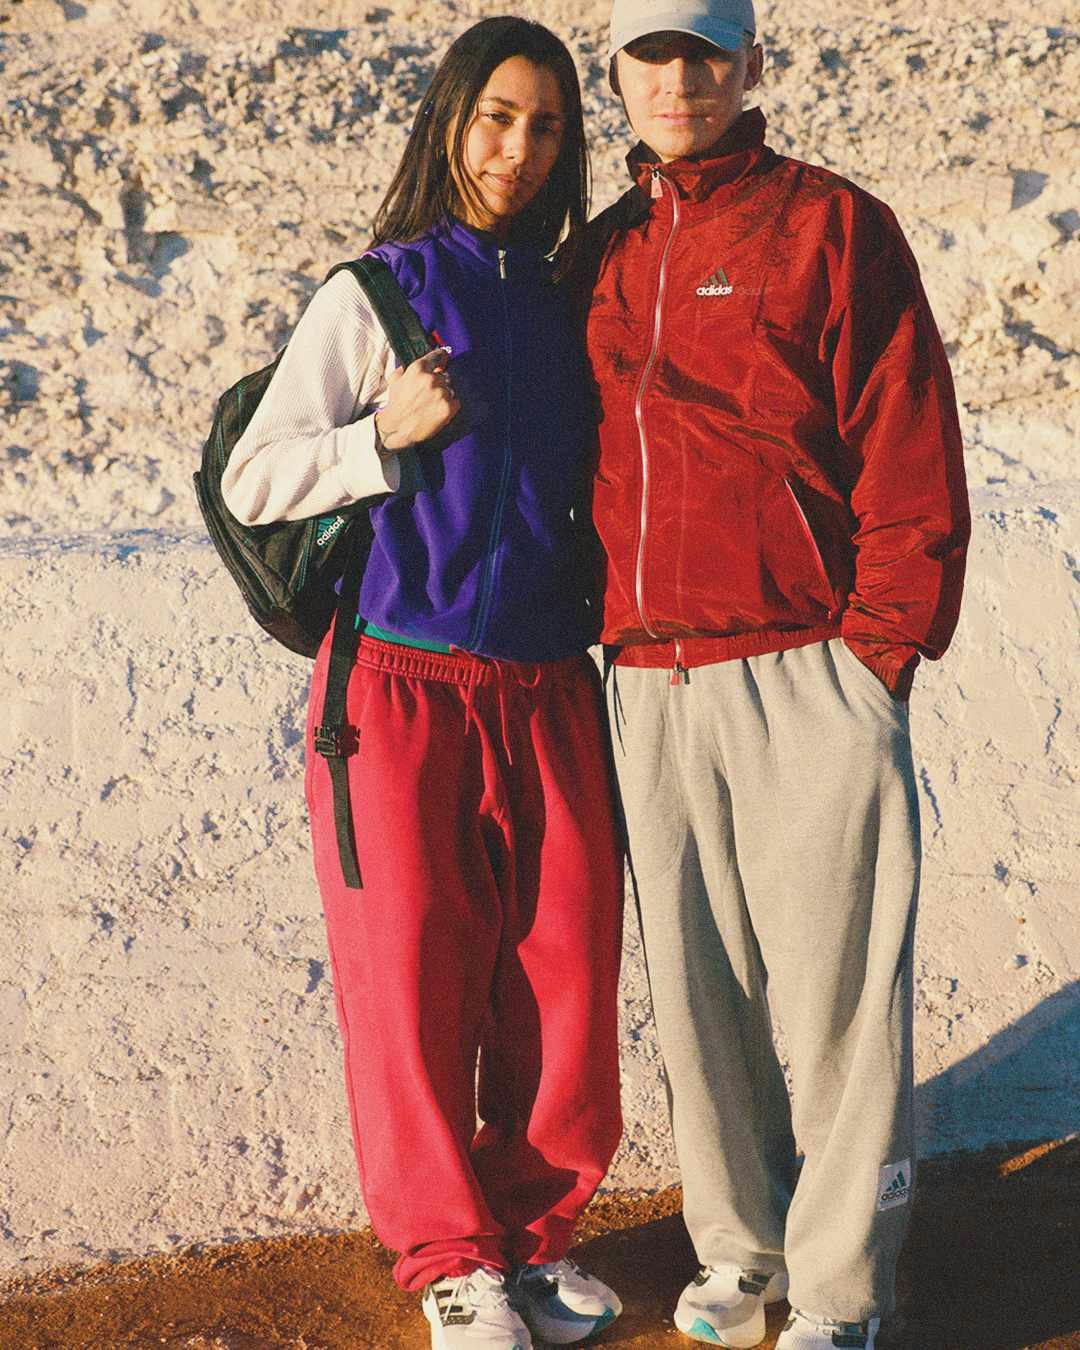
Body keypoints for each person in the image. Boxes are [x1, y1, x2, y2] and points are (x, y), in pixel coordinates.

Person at [220, 19, 625, 1350]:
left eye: (548, 126)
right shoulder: (377, 292)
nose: (519, 148)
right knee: (410, 981)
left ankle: (531, 1233)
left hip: (549, 684)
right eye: (497, 117)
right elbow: (254, 477)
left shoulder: (574, 302)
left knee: (560, 974)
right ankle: (453, 1262)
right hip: (393, 692)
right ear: (452, 121)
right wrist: (375, 438)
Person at [573, 1, 970, 1347]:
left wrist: (877, 661)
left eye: (701, 50)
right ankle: (738, 1251)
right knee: (696, 998)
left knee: (838, 999)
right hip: (647, 675)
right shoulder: (604, 251)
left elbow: (908, 437)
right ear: (615, 71)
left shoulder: (833, 226)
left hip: (807, 668)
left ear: (750, 63)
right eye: (650, 53)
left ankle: (845, 1286)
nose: (675, 79)